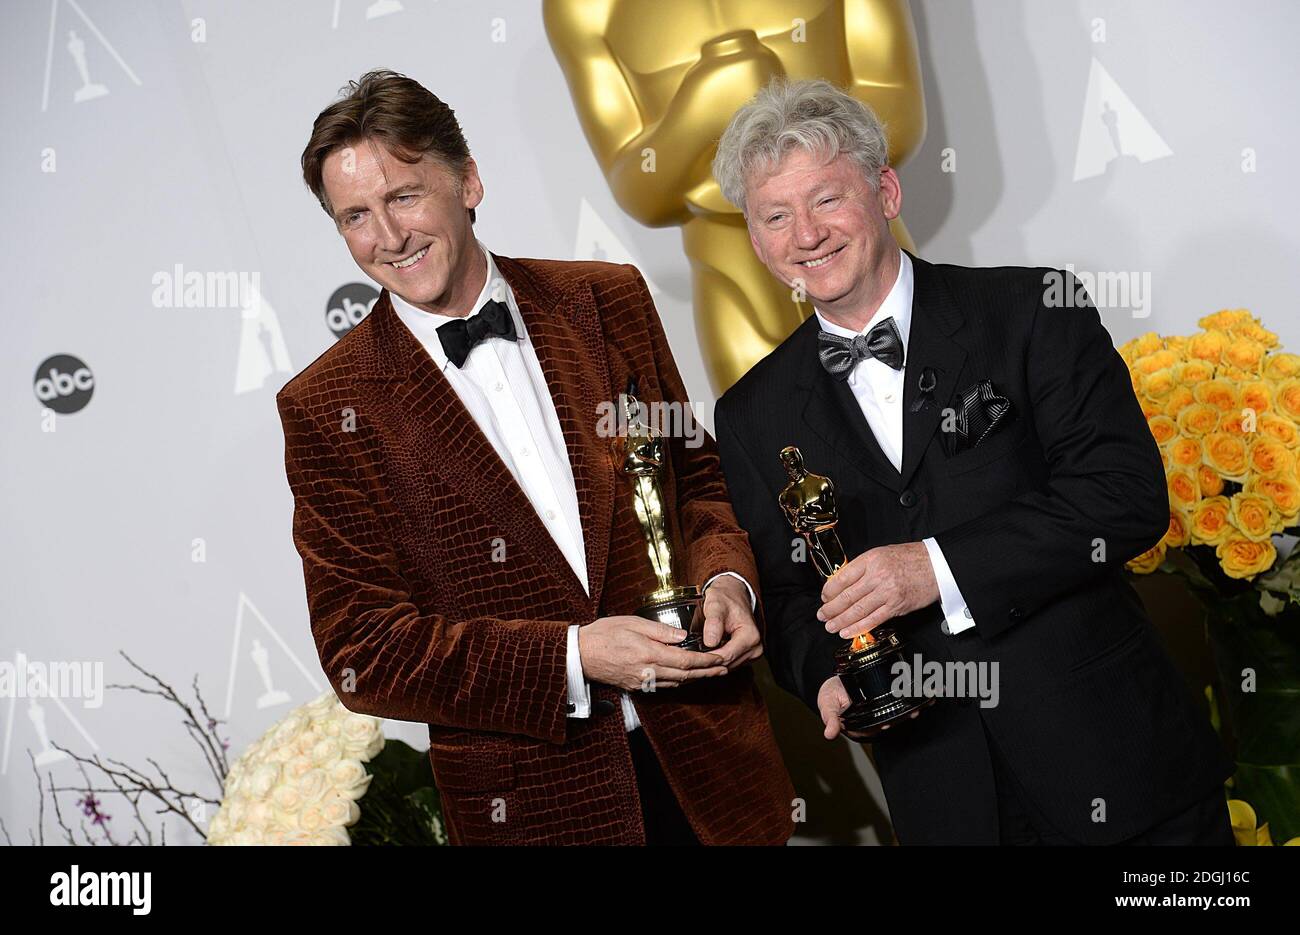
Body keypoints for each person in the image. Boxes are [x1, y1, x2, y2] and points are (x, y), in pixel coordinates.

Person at [277, 69, 795, 845]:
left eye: (404, 196)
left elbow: (697, 481)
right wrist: (574, 657)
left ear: (470, 180)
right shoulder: (326, 406)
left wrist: (729, 581)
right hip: (539, 813)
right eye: (355, 215)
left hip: (712, 768)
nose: (387, 237)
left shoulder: (607, 298)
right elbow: (363, 648)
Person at [712, 78, 1235, 845]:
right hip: (943, 797)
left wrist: (933, 567)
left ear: (885, 191)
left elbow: (1124, 495)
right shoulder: (751, 410)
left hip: (1121, 770)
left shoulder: (1032, 310)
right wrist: (821, 674)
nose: (807, 235)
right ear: (757, 241)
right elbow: (788, 594)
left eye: (827, 200)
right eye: (776, 216)